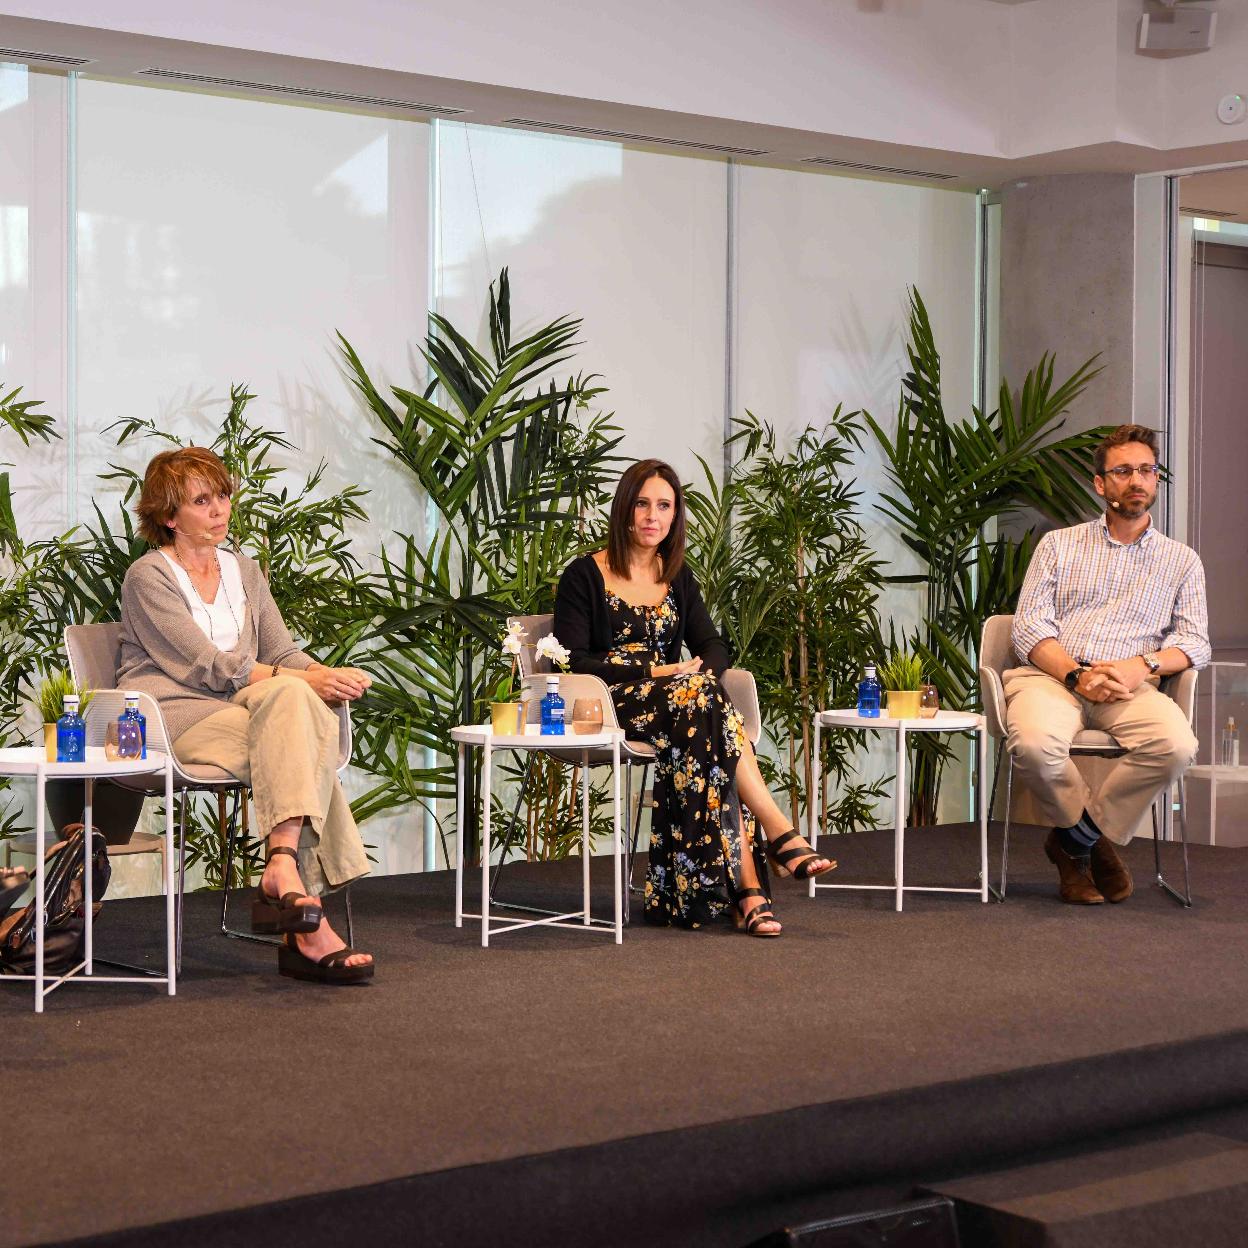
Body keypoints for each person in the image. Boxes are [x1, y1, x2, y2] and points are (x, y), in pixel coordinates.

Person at [117, 446, 374, 983]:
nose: (219, 509)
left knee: (295, 708)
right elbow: (207, 664)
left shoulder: (245, 570)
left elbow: (281, 654)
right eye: (201, 500)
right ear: (168, 516)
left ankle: (284, 872)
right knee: (301, 738)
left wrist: (326, 672)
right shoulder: (148, 577)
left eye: (224, 495)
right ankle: (301, 918)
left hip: (249, 705)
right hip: (176, 713)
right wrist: (306, 683)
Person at [554, 458, 835, 937]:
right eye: (642, 504)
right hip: (610, 702)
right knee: (703, 703)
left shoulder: (677, 576)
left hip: (684, 707)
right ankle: (775, 836)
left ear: (674, 516)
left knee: (705, 714)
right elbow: (573, 660)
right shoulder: (584, 574)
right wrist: (657, 670)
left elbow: (713, 646)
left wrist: (696, 674)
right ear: (625, 509)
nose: (652, 516)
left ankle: (747, 889)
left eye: (664, 506)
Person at [1006, 424, 1208, 904]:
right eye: (1122, 471)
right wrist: (1077, 675)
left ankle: (1075, 840)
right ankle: (1089, 846)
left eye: (1146, 470)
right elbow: (1029, 627)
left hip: (1130, 684)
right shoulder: (1059, 545)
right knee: (1033, 745)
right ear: (1100, 484)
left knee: (1175, 746)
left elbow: (1195, 641)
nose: (1136, 480)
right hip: (1055, 677)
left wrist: (1144, 666)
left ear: (1155, 479)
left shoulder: (1181, 561)